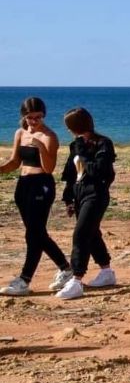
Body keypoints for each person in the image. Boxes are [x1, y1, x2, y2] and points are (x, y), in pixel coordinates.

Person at [0, 97, 73, 295]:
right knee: (37, 233)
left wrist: (40, 146)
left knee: (33, 234)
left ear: (44, 115)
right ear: (24, 116)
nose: (34, 121)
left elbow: (49, 168)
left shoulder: (49, 136)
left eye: (38, 117)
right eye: (30, 118)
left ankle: (24, 280)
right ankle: (67, 269)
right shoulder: (20, 133)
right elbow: (15, 162)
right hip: (23, 185)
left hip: (41, 186)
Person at [56, 108, 118, 300]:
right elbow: (71, 173)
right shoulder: (75, 144)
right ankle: (107, 272)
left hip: (96, 193)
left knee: (81, 233)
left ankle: (76, 279)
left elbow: (98, 170)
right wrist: (68, 198)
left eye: (69, 127)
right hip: (79, 193)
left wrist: (82, 151)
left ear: (76, 126)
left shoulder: (103, 143)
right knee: (91, 233)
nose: (67, 130)